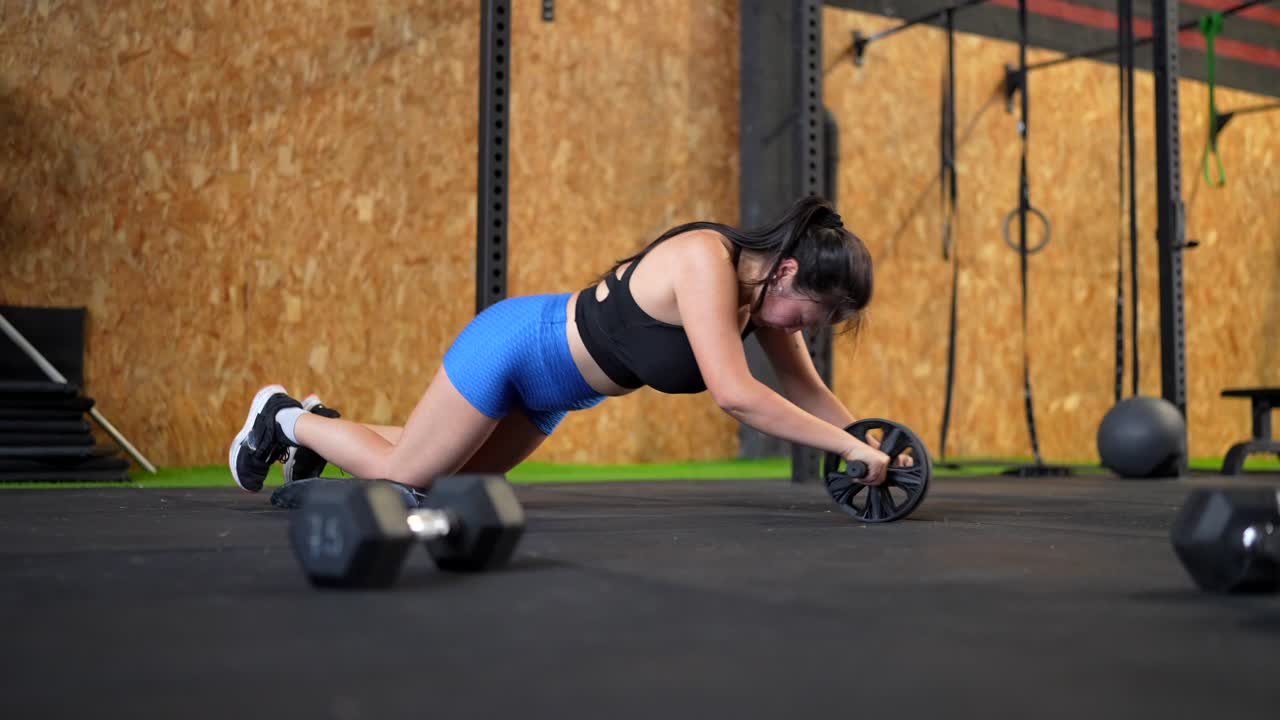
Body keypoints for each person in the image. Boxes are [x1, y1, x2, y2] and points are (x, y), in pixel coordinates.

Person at [228, 195, 896, 495]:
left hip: (550, 398)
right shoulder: (705, 262)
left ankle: (312, 433)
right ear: (786, 271)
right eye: (817, 311)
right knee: (407, 476)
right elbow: (733, 392)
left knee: (453, 476)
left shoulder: (763, 306)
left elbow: (806, 391)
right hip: (517, 346)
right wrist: (842, 447)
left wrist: (871, 445)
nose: (807, 328)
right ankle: (286, 416)